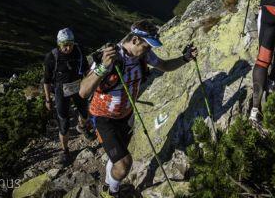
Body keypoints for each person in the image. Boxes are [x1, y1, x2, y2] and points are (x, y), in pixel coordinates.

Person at [79, 20, 198, 197]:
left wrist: (185, 58)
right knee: (124, 163)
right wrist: (103, 67)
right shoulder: (110, 58)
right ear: (135, 40)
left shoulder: (143, 56)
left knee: (119, 155)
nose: (149, 50)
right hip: (104, 118)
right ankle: (111, 193)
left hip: (126, 115)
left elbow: (164, 66)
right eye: (147, 46)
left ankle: (108, 185)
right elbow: (83, 91)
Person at [43, 27, 94, 165]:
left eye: (70, 44)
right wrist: (48, 99)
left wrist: (93, 82)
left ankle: (82, 127)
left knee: (85, 113)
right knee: (64, 124)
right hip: (61, 91)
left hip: (78, 87)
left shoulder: (78, 51)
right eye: (64, 45)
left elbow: (86, 69)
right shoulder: (52, 57)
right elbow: (46, 81)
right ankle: (65, 151)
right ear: (59, 44)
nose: (68, 48)